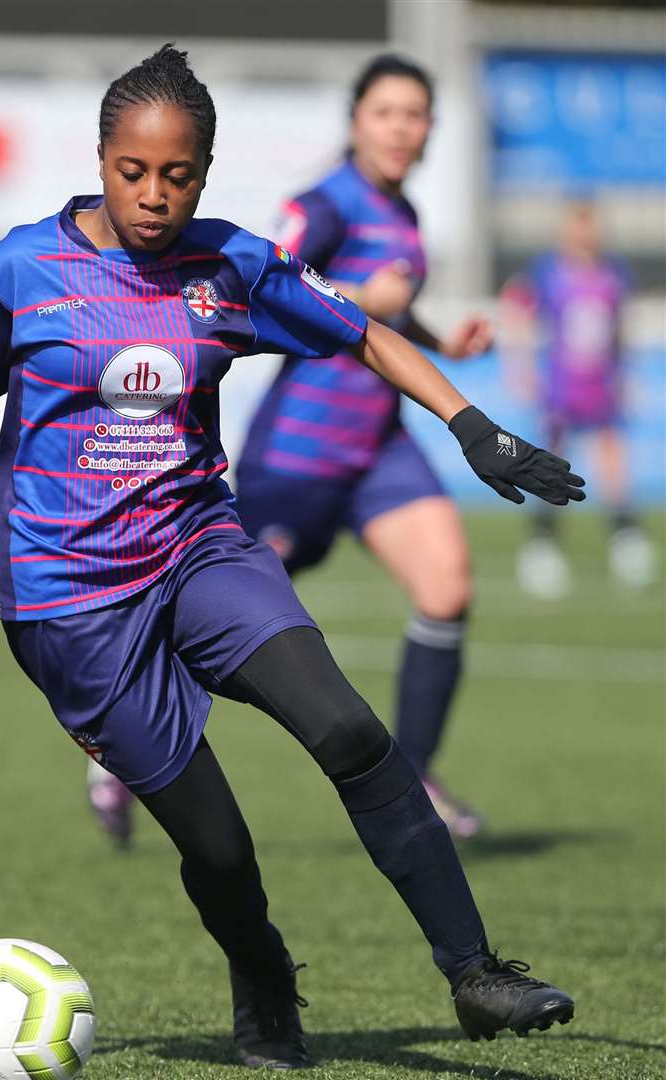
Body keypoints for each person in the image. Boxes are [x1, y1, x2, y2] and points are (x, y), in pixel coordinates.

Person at [0, 45, 580, 1070]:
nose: (154, 196)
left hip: (199, 546)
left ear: (202, 171)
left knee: (346, 728)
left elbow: (363, 333)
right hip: (69, 603)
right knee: (216, 845)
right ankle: (261, 980)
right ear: (101, 159)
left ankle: (474, 972)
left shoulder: (232, 265)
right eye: (132, 171)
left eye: (177, 175)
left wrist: (471, 425)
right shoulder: (21, 267)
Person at [227, 54, 493, 840]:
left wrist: (442, 337)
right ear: (355, 121)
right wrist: (359, 296)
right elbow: (268, 285)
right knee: (226, 619)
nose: (401, 128)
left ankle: (412, 786)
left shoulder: (402, 213)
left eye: (415, 115)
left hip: (377, 448)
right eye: (386, 112)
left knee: (446, 586)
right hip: (297, 454)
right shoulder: (323, 204)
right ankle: (118, 750)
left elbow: (384, 322)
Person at [500, 198, 656, 598]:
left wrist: (626, 372)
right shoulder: (548, 272)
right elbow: (515, 306)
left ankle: (625, 538)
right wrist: (520, 365)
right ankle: (542, 544)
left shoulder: (612, 273)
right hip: (561, 387)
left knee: (612, 463)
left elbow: (619, 327)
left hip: (601, 384)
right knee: (553, 465)